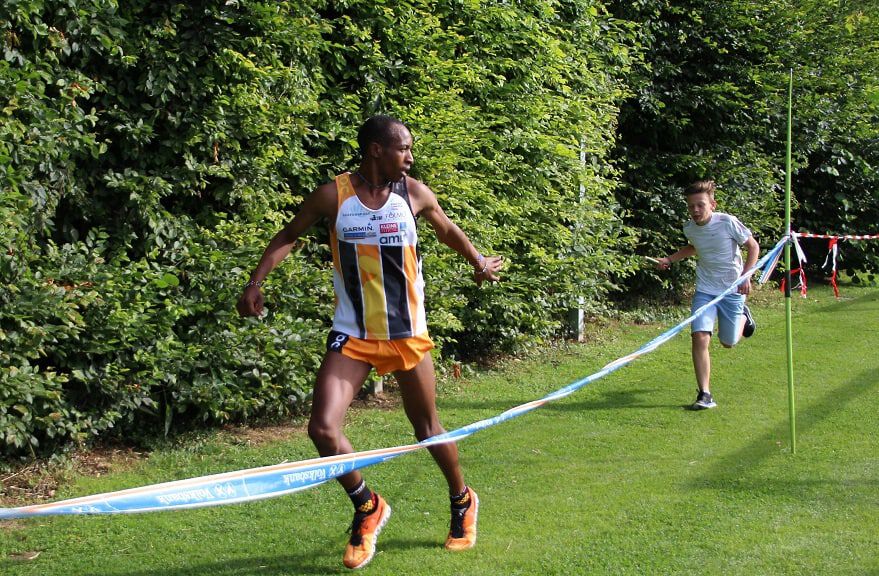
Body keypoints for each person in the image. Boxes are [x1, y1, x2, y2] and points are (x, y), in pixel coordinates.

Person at [237, 115, 503, 569]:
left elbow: (446, 229)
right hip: (354, 334)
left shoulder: (413, 193)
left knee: (427, 429)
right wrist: (255, 282)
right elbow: (288, 235)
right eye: (404, 148)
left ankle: (462, 499)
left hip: (406, 332)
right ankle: (367, 505)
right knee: (322, 429)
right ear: (376, 150)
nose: (410, 157)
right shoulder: (333, 196)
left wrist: (478, 261)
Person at [654, 180, 758, 410]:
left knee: (728, 342)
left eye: (700, 205)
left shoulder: (727, 222)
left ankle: (744, 317)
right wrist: (670, 259)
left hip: (732, 290)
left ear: (712, 204)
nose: (695, 210)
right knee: (699, 337)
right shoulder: (690, 228)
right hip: (705, 290)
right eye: (691, 206)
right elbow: (694, 247)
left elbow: (753, 246)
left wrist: (746, 276)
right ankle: (705, 393)